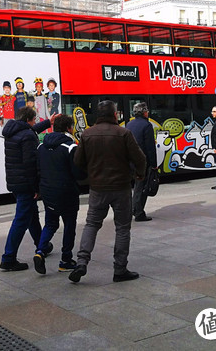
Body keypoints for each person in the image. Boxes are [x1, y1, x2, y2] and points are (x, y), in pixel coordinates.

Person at [70, 100, 146, 283]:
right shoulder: (123, 133)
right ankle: (120, 269)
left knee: (91, 225)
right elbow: (140, 158)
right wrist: (140, 174)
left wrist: (91, 174)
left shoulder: (87, 134)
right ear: (114, 115)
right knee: (122, 228)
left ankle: (81, 262)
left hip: (97, 188)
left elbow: (78, 162)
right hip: (121, 188)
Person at [0, 106, 58, 271]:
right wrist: (36, 187)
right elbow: (30, 164)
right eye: (34, 120)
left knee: (32, 216)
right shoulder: (27, 136)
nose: (35, 123)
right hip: (26, 183)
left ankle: (43, 245)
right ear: (27, 120)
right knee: (21, 220)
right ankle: (8, 257)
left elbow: (30, 130)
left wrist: (48, 122)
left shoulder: (12, 131)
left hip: (15, 181)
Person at [33, 114, 82, 274]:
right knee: (69, 225)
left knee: (50, 223)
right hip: (66, 192)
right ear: (69, 128)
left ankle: (40, 251)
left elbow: (38, 170)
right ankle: (65, 260)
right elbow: (77, 173)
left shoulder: (41, 146)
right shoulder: (70, 147)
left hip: (47, 191)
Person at [125, 102, 157, 222]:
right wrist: (154, 164)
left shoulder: (129, 124)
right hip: (141, 162)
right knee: (141, 187)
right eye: (147, 111)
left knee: (132, 187)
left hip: (130, 160)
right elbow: (150, 148)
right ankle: (138, 212)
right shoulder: (147, 125)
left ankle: (132, 209)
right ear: (144, 112)